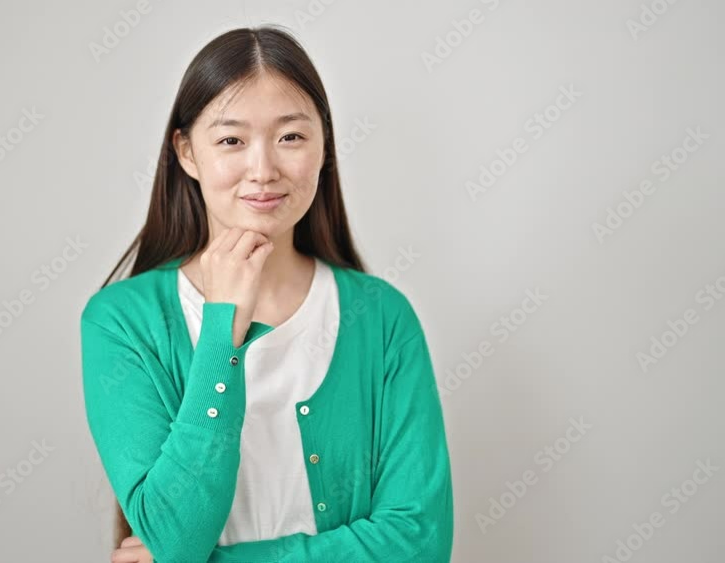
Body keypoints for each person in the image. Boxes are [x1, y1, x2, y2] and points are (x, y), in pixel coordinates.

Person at [81, 24, 453, 563]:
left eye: (291, 137)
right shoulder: (119, 323)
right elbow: (177, 535)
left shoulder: (383, 317)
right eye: (231, 140)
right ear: (186, 152)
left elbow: (419, 543)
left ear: (324, 145)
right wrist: (220, 330)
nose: (263, 170)